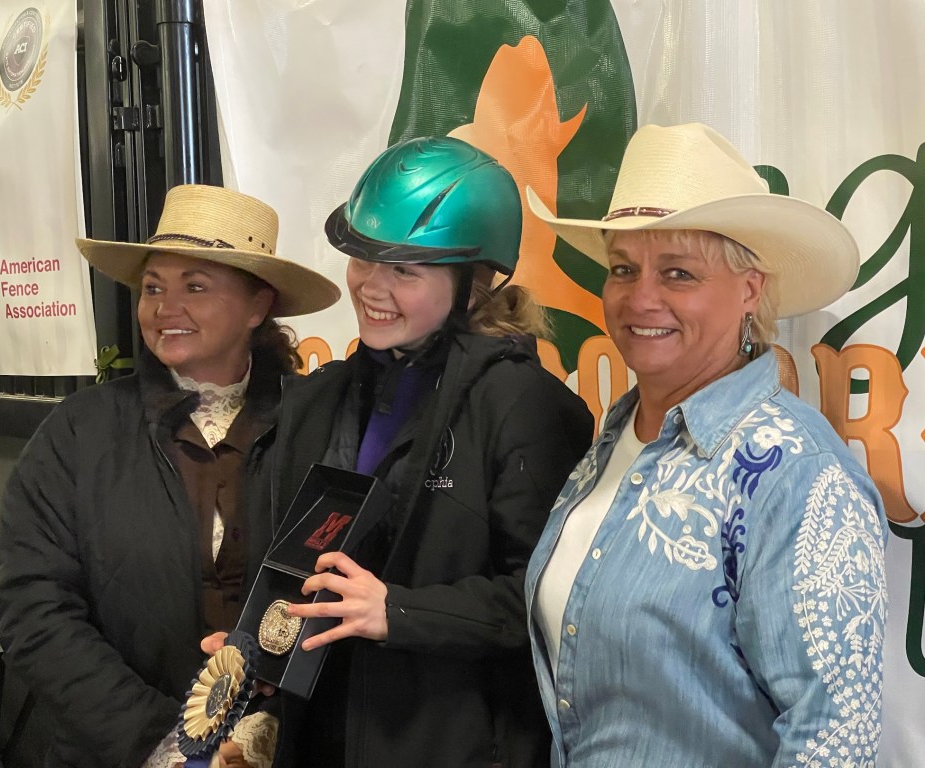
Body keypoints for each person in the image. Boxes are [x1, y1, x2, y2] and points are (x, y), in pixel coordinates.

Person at [208, 135, 595, 768]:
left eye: (404, 271)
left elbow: (548, 599)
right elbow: (299, 567)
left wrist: (399, 611)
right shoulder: (321, 398)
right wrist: (262, 647)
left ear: (474, 284)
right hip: (326, 737)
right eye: (363, 258)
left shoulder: (527, 406)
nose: (370, 286)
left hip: (454, 742)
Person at [524, 122, 889, 767]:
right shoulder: (618, 438)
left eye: (679, 273)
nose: (641, 298)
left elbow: (836, 736)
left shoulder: (796, 472)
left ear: (750, 290)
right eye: (623, 269)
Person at [0, 184, 340, 768]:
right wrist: (160, 742)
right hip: (116, 754)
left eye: (194, 287)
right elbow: (34, 606)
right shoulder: (80, 432)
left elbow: (341, 590)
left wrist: (269, 731)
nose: (164, 308)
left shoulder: (318, 426)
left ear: (257, 307)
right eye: (153, 287)